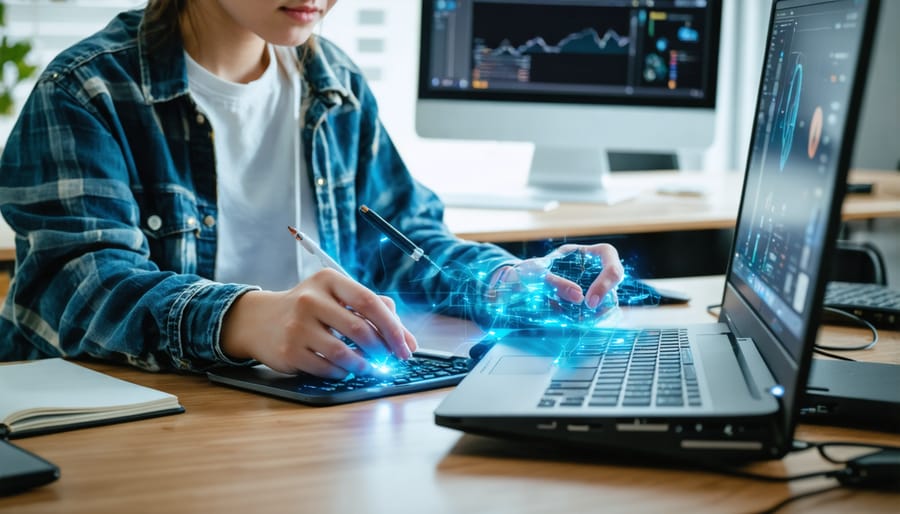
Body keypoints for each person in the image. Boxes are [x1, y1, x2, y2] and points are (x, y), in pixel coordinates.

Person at [0, 0, 623, 379]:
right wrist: (245, 320)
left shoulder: (334, 80)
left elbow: (409, 238)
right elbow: (77, 283)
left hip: (294, 414)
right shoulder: (86, 89)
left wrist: (506, 280)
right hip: (132, 428)